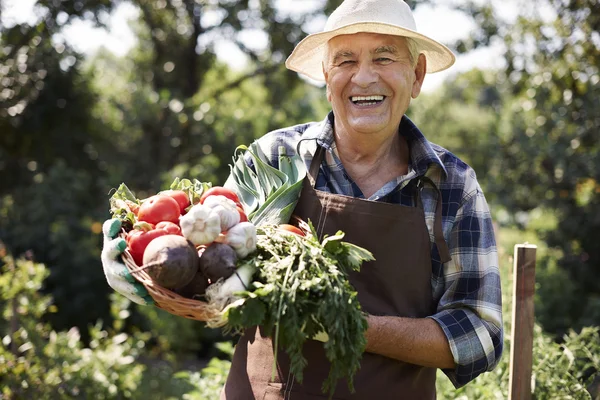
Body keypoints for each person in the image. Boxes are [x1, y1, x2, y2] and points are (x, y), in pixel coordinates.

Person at [101, 0, 503, 398]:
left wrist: (348, 324)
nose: (363, 78)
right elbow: (215, 273)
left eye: (384, 58)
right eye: (345, 61)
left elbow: (480, 334)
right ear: (327, 77)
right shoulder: (273, 158)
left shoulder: (451, 186)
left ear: (416, 76)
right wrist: (147, 263)